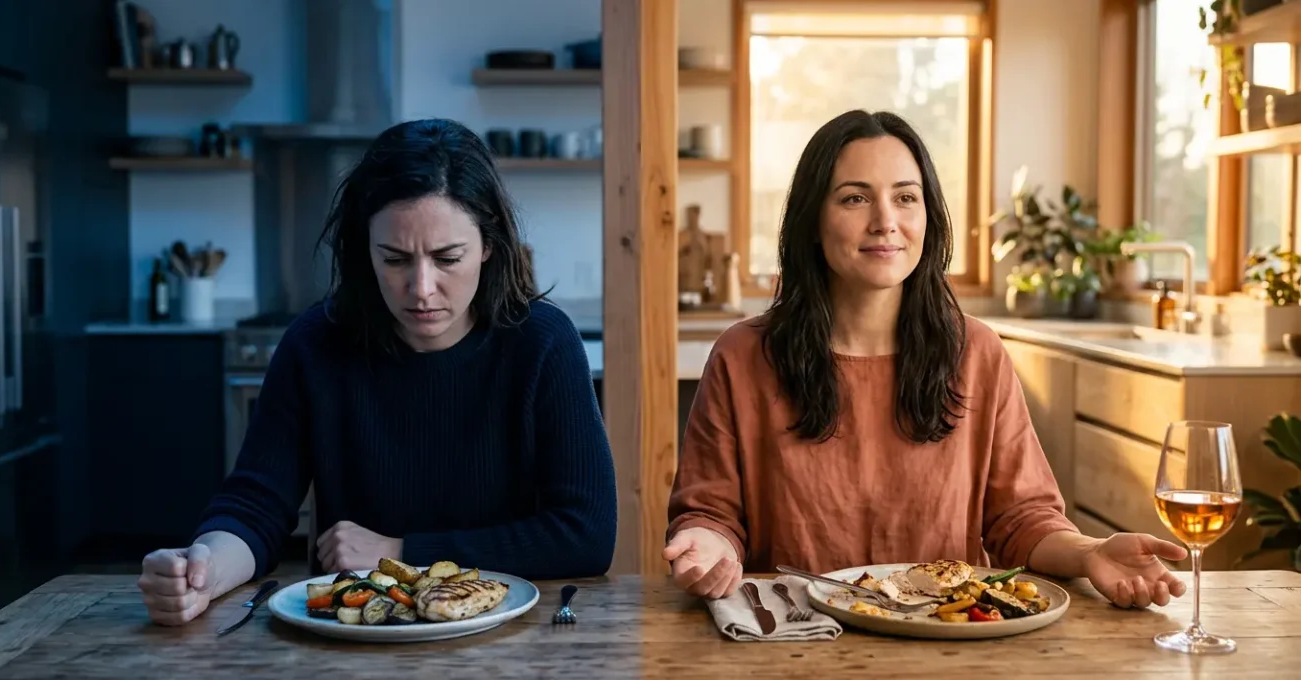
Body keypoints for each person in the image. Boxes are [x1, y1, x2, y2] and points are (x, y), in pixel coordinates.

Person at [662, 110, 1188, 610]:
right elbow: (711, 514)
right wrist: (706, 545)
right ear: (811, 220)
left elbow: (1020, 518)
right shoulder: (743, 355)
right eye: (853, 199)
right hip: (795, 634)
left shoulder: (977, 352)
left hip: (945, 635)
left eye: (906, 197)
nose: (885, 221)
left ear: (928, 216)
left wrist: (1090, 552)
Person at [137, 118, 618, 626]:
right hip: (352, 638)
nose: (422, 288)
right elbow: (256, 505)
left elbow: (585, 535)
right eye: (394, 259)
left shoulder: (544, 342)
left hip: (510, 638)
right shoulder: (314, 345)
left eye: (448, 257)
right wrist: (204, 568)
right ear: (365, 253)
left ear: (489, 247)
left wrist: (401, 550)